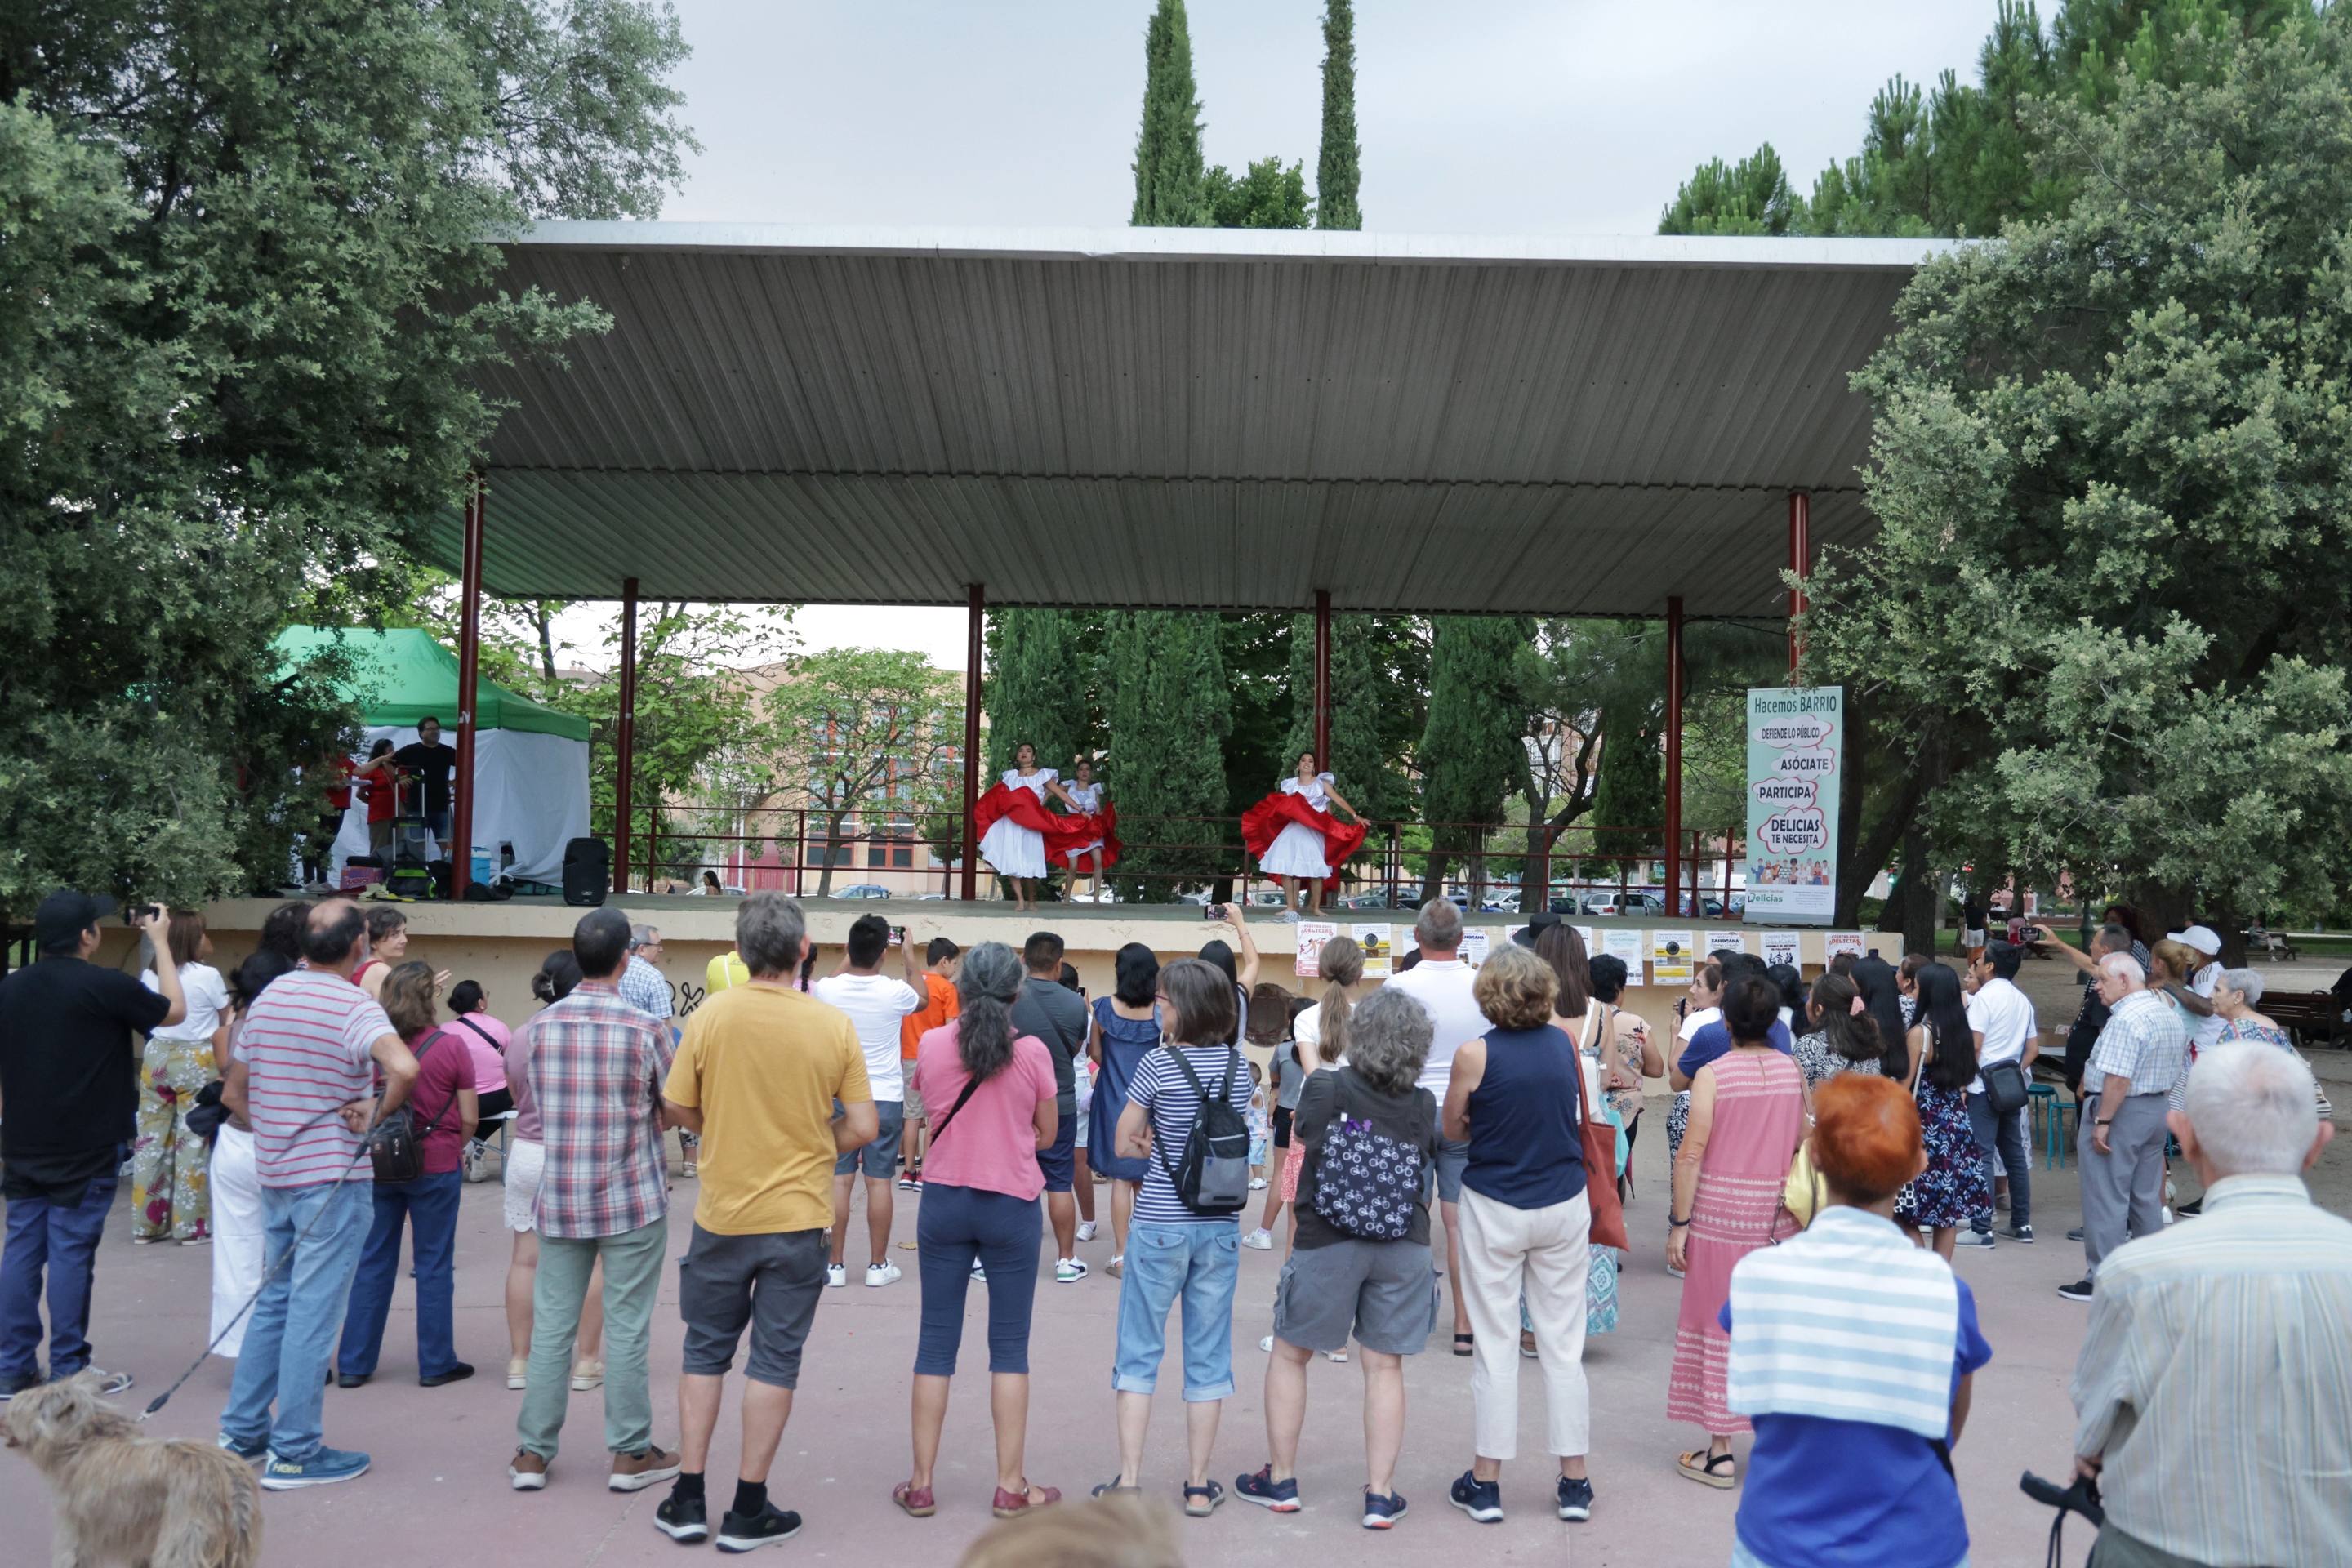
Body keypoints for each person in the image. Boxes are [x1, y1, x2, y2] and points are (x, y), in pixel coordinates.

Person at [2069, 1043, 2350, 1568]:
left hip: (2160, 1548)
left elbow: (2094, 1426)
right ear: (2317, 1143)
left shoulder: (2136, 1274)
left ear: (2187, 1136)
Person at [657, 893, 876, 1550]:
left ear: (741, 951)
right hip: (798, 1215)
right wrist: (811, 1144)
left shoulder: (710, 1016)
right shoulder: (830, 1026)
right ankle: (749, 1507)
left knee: (704, 1350)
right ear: (803, 949)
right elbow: (863, 1126)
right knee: (775, 1361)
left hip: (723, 1212)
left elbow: (675, 1107)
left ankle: (688, 1496)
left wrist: (722, 1131)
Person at [1722, 1074, 1991, 1568]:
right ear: (1919, 1164)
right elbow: (1950, 1420)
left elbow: (1767, 1408)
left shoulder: (1757, 1277)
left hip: (1780, 1538)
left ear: (1815, 1155)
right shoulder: (1944, 1291)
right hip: (1918, 1542)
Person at [218, 900, 420, 1489]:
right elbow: (404, 1067)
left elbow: (233, 1094)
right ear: (360, 943)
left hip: (276, 1175)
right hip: (331, 1179)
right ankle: (296, 1450)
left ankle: (243, 1431)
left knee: (275, 1302)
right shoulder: (353, 1005)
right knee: (311, 1311)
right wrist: (373, 1110)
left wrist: (283, 1128)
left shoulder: (272, 996)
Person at [1235, 987, 1437, 1528]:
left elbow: (1301, 1137)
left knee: (1290, 1354)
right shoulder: (1423, 1103)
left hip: (1327, 1240)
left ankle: (1281, 1479)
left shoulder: (1325, 1087)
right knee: (1384, 1366)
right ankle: (1379, 1494)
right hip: (1402, 1242)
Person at [506, 908, 680, 1495]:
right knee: (627, 1327)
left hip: (560, 1196)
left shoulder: (539, 1028)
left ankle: (532, 1451)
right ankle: (630, 1452)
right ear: (626, 959)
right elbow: (673, 1107)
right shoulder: (646, 1029)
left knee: (553, 1324)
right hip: (631, 1195)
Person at [895, 942, 1060, 1520]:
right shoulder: (1034, 1052)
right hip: (1011, 1204)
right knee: (1009, 1350)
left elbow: (927, 1107)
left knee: (935, 1343)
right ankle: (1010, 1486)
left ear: (960, 990)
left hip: (943, 1200)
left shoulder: (936, 1043)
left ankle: (920, 1484)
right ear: (1018, 993)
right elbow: (1047, 1134)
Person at [0, 895, 182, 1399]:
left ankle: (11, 1367)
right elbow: (175, 1011)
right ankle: (69, 1368)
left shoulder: (11, 989)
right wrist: (161, 943)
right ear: (87, 936)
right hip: (85, 1144)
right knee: (70, 1253)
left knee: (20, 1250)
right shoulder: (103, 986)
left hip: (22, 1140)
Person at [1440, 945, 1596, 1527]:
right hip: (1562, 1200)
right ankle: (1574, 1481)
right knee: (1562, 1343)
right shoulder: (1563, 1043)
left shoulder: (1473, 1054)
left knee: (1497, 1342)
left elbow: (1453, 1126)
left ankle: (1486, 1483)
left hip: (1495, 1202)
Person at [1102, 958, 1254, 1514]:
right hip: (1219, 1227)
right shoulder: (1241, 1069)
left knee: (1139, 1352)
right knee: (1209, 1358)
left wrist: (1153, 1147)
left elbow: (1122, 1141)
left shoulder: (1157, 1064)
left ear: (1181, 1009)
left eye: (1163, 1001)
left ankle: (1130, 1481)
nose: (1157, 1007)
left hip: (1161, 1224)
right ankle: (1196, 1484)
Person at [1666, 973, 1805, 1490]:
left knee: (1717, 1326)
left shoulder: (1714, 1074)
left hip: (1720, 1221)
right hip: (1778, 1222)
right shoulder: (1792, 1071)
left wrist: (1680, 1224)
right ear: (1773, 1022)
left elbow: (1691, 1155)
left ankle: (1720, 1452)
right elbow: (1802, 1140)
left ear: (1726, 1022)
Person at [336, 960, 478, 1388]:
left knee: (373, 1259)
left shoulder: (373, 1048)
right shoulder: (452, 1046)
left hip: (379, 1161)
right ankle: (436, 1362)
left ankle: (354, 1362)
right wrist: (452, 1147)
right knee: (434, 1262)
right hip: (436, 1161)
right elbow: (469, 1116)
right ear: (428, 999)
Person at [500, 951, 606, 1394]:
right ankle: (585, 1361)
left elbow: (514, 1090)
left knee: (525, 1259)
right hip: (578, 1154)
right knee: (592, 1260)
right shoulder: (594, 1033)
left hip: (527, 1150)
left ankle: (520, 1361)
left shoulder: (523, 1035)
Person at [1382, 898, 1486, 1355]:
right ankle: (1465, 1325)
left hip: (1410, 1112)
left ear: (1417, 937)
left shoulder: (1397, 986)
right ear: (1462, 939)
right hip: (1467, 1113)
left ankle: (1407, 1320)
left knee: (1408, 1220)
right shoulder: (1483, 986)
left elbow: (1382, 1056)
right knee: (1461, 1224)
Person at [2060, 953, 2187, 1304]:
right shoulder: (2166, 1012)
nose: (2096, 987)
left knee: (2106, 1197)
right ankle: (2148, 1274)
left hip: (2121, 1110)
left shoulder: (2126, 1019)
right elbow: (2180, 1066)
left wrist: (2103, 1122)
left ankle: (2103, 1277)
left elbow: (2118, 1078)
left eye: (2102, 980)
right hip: (2155, 1108)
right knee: (2146, 1197)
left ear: (2125, 981)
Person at [813, 915, 924, 1288]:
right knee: (879, 1183)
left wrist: (850, 955)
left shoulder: (828, 990)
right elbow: (922, 999)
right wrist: (909, 957)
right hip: (885, 1098)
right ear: (883, 953)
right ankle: (878, 1266)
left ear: (849, 948)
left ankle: (835, 1265)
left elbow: (825, 983)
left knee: (839, 1180)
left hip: (840, 1096)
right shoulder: (894, 991)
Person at [1251, 938, 1363, 1254]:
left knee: (1298, 1221)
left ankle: (1292, 1293)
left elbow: (1315, 1076)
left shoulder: (1305, 1018)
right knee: (1348, 1218)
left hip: (1310, 1120)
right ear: (1360, 972)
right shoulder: (1372, 1016)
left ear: (1323, 973)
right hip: (1356, 1124)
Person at [212, 951, 295, 1360]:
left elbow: (229, 1089)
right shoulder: (280, 1024)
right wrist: (272, 1131)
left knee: (236, 1251)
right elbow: (234, 1093)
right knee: (289, 1254)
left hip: (233, 1143)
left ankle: (241, 1347)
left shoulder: (232, 1027)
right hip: (273, 1143)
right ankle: (286, 1348)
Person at [131, 911, 231, 1244]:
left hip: (158, 1055)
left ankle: (147, 1225)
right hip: (196, 1059)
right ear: (193, 938)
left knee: (150, 1141)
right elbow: (225, 1020)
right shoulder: (208, 975)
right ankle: (191, 1227)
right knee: (193, 1141)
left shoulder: (150, 974)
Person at [1011, 930, 1092, 1283]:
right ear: (1059, 964)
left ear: (1024, 960)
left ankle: (1000, 1258)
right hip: (1060, 1103)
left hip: (1013, 1103)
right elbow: (1075, 1050)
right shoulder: (1076, 1004)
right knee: (1060, 1182)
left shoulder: (1008, 998)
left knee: (1009, 1182)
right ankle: (1065, 1259)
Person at [1892, 964, 1986, 1260]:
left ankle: (1922, 1271)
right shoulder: (1961, 1031)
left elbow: (1905, 1085)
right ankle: (1941, 1276)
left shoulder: (1920, 1033)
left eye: (1917, 986)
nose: (1912, 990)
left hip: (1923, 1126)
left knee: (1903, 1206)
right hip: (1955, 1125)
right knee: (1947, 1212)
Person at [1087, 944, 1160, 1279]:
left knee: (1120, 1178)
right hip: (1151, 1105)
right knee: (1146, 1181)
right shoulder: (1162, 1012)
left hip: (1114, 1101)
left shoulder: (1102, 1009)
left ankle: (1120, 1255)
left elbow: (1096, 1055)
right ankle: (1147, 1253)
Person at [1958, 941, 2037, 1247]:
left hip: (1982, 1086)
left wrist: (1965, 1083)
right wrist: (2012, 1072)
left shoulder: (1983, 1000)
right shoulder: (2022, 1000)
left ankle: (1981, 1228)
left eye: (1980, 961)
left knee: (1982, 1154)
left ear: (1989, 966)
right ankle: (2022, 1224)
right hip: (2009, 1087)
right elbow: (2033, 1050)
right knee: (2014, 1155)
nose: (1976, 965)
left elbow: (1975, 1046)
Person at [1245, 751, 1364, 921]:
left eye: (1310, 761)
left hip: (1312, 831)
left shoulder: (1321, 784)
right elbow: (1282, 806)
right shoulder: (1290, 785)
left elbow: (1339, 800)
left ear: (1314, 766)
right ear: (1298, 766)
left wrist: (1355, 815)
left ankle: (1315, 907)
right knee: (1285, 868)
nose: (1307, 763)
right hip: (1293, 830)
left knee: (1315, 869)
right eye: (1303, 760)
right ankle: (1290, 906)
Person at [976, 742, 1084, 913]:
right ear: (1017, 756)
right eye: (1021, 751)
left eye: (1028, 751)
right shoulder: (1010, 777)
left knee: (1029, 863)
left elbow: (1061, 793)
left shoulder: (1042, 775)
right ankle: (1019, 900)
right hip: (1011, 824)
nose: (1024, 753)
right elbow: (998, 798)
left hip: (1031, 825)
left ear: (1033, 757)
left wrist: (1081, 809)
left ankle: (1032, 900)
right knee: (1011, 861)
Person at [1587, 953, 1660, 1195]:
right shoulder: (1635, 1024)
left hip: (1588, 1100)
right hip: (1626, 1106)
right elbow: (1656, 1068)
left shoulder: (1580, 1019)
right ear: (1619, 988)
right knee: (1618, 1157)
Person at [899, 937, 961, 1192]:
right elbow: (950, 1030)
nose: (955, 969)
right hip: (935, 1058)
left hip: (910, 1056)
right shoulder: (947, 989)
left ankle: (907, 1171)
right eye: (955, 964)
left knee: (912, 1116)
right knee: (935, 1117)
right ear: (944, 961)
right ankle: (926, 1171)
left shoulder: (911, 984)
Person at [1790, 971, 1884, 1094]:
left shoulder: (1809, 1045)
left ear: (1819, 1009)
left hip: (1825, 1113)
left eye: (1810, 998)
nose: (1807, 1003)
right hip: (1865, 1113)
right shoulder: (1868, 1041)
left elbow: (1798, 1094)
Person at [447, 978, 515, 1139]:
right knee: (512, 1092)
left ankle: (469, 1142)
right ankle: (478, 1142)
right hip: (496, 1100)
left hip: (459, 1101)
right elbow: (512, 1062)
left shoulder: (445, 1030)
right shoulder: (498, 1026)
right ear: (480, 1002)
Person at [393, 715, 460, 849]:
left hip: (442, 806)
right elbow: (388, 763)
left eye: (437, 728)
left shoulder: (447, 752)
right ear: (421, 732)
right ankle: (419, 870)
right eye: (430, 729)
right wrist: (399, 778)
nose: (434, 731)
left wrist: (457, 781)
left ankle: (445, 869)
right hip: (416, 806)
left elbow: (467, 764)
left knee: (448, 846)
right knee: (416, 847)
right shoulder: (410, 750)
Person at [1058, 757, 1113, 902]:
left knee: (1098, 860)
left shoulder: (1094, 790)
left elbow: (1098, 811)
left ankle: (1096, 897)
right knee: (1073, 865)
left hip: (1092, 828)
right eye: (1081, 769)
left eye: (1087, 770)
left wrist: (1109, 814)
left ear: (1091, 773)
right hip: (1073, 827)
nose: (1084, 772)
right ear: (1077, 772)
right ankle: (1068, 896)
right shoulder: (1068, 787)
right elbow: (1053, 792)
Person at [2212, 969, 2295, 1049]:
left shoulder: (2236, 1030)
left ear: (2238, 996)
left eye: (2217, 990)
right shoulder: (2270, 1024)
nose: (2210, 995)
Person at [619, 923, 675, 1028]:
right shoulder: (653, 977)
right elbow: (664, 1025)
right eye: (658, 945)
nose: (661, 949)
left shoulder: (612, 970)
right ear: (642, 949)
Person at [355, 738, 399, 861]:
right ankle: (377, 877)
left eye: (393, 749)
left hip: (399, 813)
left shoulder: (398, 768)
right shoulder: (372, 769)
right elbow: (360, 793)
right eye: (390, 750)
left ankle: (394, 877)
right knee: (379, 848)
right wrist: (375, 801)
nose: (393, 752)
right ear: (381, 753)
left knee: (398, 848)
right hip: (379, 814)